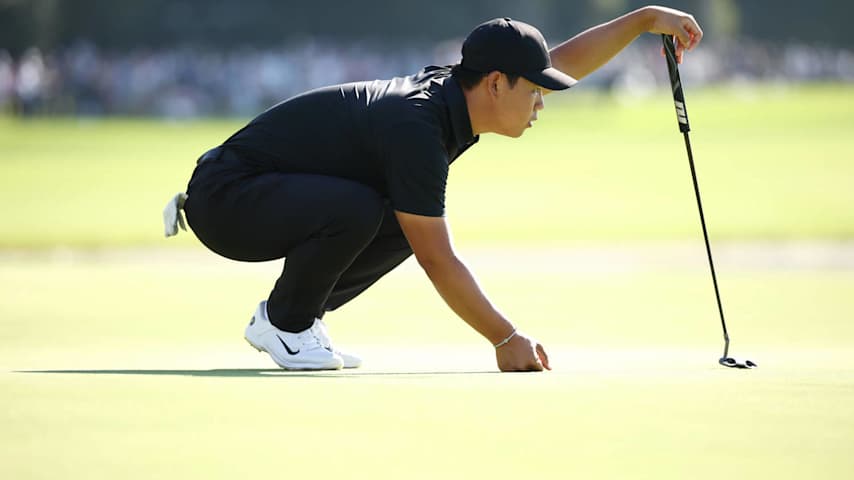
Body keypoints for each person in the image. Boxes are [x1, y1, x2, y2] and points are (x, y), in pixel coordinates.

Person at [163, 6, 703, 372]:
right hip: (225, 198)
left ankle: (294, 319)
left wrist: (645, 19)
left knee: (397, 214)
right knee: (374, 212)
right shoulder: (418, 129)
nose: (542, 101)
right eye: (535, 91)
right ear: (495, 84)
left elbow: (559, 63)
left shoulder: (459, 95)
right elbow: (438, 259)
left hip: (250, 193)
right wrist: (505, 338)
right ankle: (284, 324)